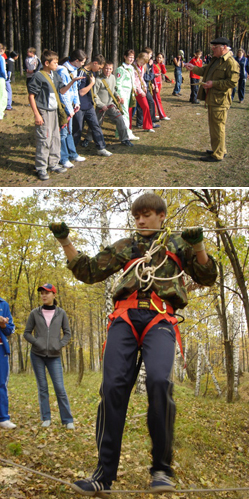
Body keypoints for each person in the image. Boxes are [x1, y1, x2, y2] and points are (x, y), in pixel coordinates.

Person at [49, 192, 217, 495]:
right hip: (124, 318)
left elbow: (206, 276)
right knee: (112, 387)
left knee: (158, 382)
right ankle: (103, 474)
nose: (140, 220)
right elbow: (88, 270)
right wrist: (65, 241)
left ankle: (161, 470)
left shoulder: (178, 244)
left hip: (160, 319)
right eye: (137, 216)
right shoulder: (126, 247)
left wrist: (199, 247)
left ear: (162, 216)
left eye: (147, 214)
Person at [28, 49, 84, 181]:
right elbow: (31, 96)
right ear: (46, 63)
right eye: (55, 62)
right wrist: (37, 114)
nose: (57, 64)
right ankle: (41, 168)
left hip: (55, 111)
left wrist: (72, 82)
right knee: (44, 139)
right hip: (44, 111)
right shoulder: (38, 76)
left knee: (55, 138)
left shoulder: (55, 75)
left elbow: (62, 91)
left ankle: (53, 163)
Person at [23, 283, 74, 429]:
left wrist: (59, 344)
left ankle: (67, 420)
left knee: (59, 387)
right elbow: (27, 333)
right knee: (43, 387)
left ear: (54, 295)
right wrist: (37, 342)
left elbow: (67, 333)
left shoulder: (61, 313)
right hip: (37, 355)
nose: (44, 295)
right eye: (42, 293)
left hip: (54, 356)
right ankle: (46, 417)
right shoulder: (34, 313)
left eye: (47, 292)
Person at [185, 37, 240, 162]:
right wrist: (193, 68)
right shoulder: (216, 60)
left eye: (215, 47)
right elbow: (205, 70)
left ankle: (218, 154)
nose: (213, 49)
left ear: (224, 47)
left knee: (218, 127)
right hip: (213, 99)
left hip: (220, 100)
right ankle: (219, 149)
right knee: (215, 126)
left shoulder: (231, 62)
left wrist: (213, 84)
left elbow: (232, 82)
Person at [82, 61, 134, 148]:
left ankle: (124, 139)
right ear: (102, 69)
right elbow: (94, 95)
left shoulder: (113, 78)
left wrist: (117, 96)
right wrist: (101, 105)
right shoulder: (98, 80)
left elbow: (113, 90)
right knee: (95, 123)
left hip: (110, 105)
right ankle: (87, 139)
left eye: (110, 69)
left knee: (120, 119)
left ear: (112, 69)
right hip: (100, 107)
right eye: (106, 68)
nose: (108, 70)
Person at [73, 54, 112, 157]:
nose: (99, 70)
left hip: (89, 105)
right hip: (80, 106)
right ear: (95, 63)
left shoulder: (92, 73)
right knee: (77, 129)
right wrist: (91, 83)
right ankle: (73, 151)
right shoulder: (81, 72)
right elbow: (80, 92)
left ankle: (101, 148)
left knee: (96, 126)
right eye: (99, 67)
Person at [56, 49, 87, 168]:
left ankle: (73, 154)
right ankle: (63, 158)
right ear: (76, 61)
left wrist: (77, 102)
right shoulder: (63, 71)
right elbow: (63, 92)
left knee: (70, 131)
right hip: (64, 106)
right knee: (63, 133)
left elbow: (74, 89)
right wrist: (69, 109)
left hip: (71, 106)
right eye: (82, 62)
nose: (83, 64)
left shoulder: (74, 70)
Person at [115, 49, 140, 141]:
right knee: (124, 114)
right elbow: (118, 84)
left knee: (126, 114)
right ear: (125, 57)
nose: (131, 59)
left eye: (133, 57)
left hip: (129, 93)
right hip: (123, 94)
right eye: (129, 57)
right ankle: (126, 134)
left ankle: (120, 133)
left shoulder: (131, 68)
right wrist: (120, 96)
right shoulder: (121, 69)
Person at [0, 296, 16, 429]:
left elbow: (10, 330)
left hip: (0, 349)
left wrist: (3, 324)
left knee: (1, 383)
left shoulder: (3, 304)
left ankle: (3, 418)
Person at [136, 48, 160, 129]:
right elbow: (142, 78)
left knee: (143, 105)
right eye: (150, 54)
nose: (151, 56)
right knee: (149, 103)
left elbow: (142, 78)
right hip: (139, 88)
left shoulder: (144, 65)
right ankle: (149, 121)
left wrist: (146, 86)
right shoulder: (138, 66)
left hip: (144, 87)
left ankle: (142, 122)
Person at [132, 52, 155, 132]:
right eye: (141, 62)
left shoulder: (142, 67)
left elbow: (141, 79)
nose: (142, 64)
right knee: (130, 109)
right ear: (138, 58)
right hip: (134, 89)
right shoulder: (133, 67)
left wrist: (144, 87)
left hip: (140, 89)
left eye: (144, 63)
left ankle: (147, 126)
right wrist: (140, 90)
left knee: (146, 106)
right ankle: (127, 128)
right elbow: (134, 81)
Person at [153, 53, 171, 120]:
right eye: (158, 57)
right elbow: (154, 76)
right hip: (156, 84)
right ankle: (162, 115)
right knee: (158, 99)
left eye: (160, 58)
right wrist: (156, 86)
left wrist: (163, 64)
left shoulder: (160, 64)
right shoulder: (154, 65)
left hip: (159, 83)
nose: (159, 59)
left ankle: (154, 113)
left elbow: (164, 72)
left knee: (155, 99)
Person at [0, 43, 7, 120]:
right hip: (0, 78)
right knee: (2, 96)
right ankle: (0, 114)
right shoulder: (1, 58)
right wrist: (5, 77)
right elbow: (2, 70)